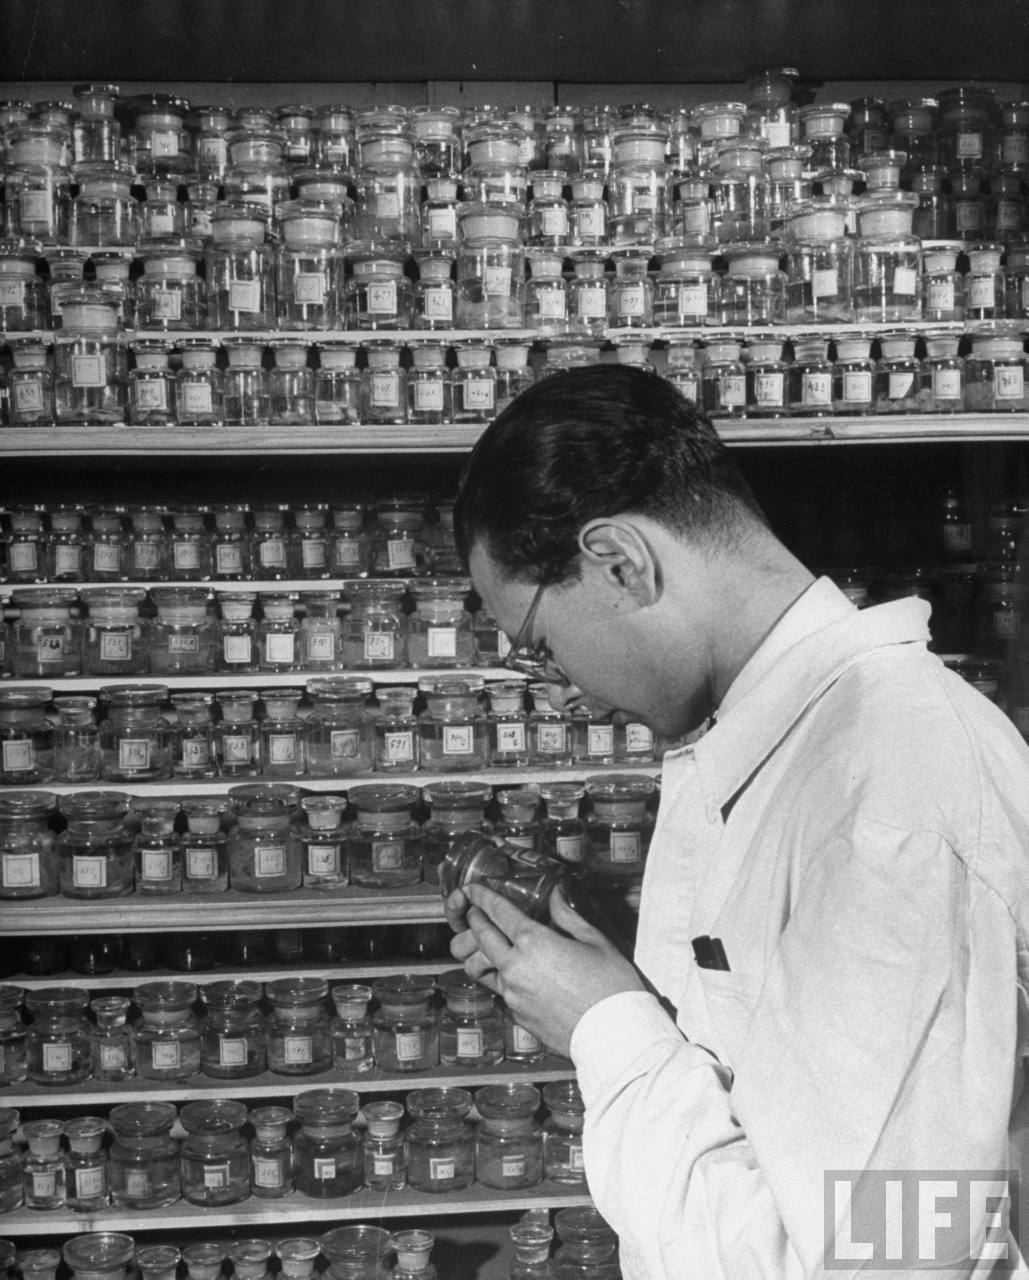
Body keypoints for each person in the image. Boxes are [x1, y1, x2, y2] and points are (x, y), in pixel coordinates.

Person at [444, 363, 1029, 1279]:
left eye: (541, 648)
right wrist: (631, 967)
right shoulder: (780, 734)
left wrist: (605, 1024)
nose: (564, 689)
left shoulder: (890, 793)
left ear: (619, 562)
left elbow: (886, 1261)